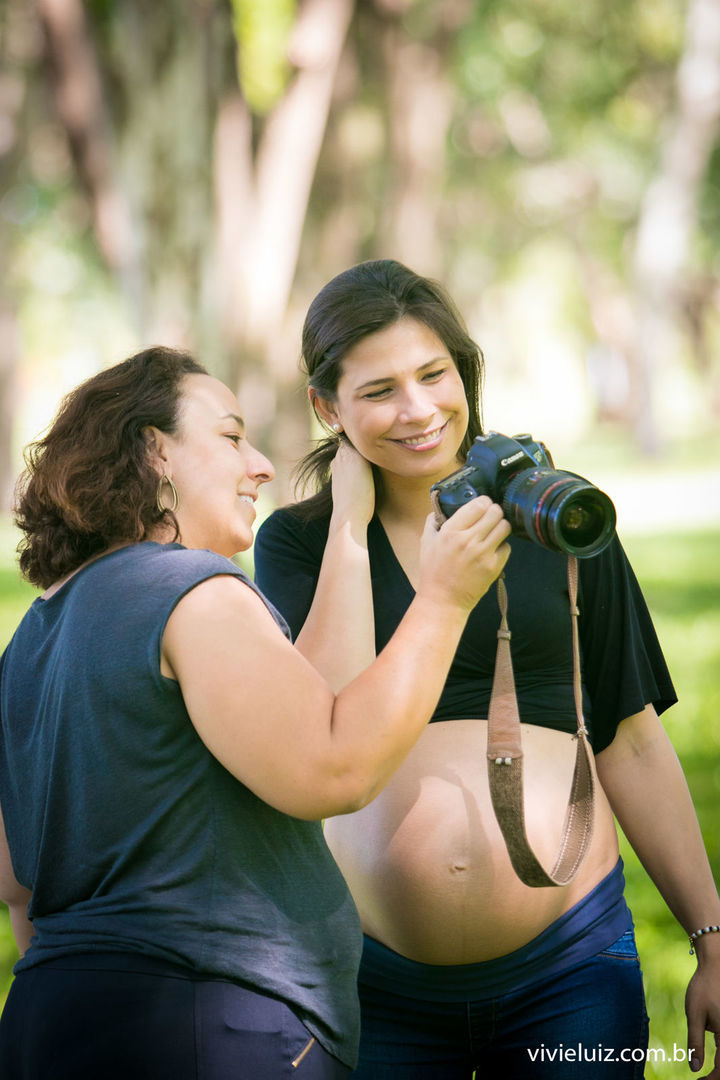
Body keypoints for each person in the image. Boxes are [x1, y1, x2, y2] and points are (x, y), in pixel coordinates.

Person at [254, 259, 720, 1079]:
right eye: (379, 390)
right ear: (328, 407)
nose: (418, 409)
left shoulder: (561, 518)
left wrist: (711, 939)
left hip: (570, 968)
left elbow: (632, 738)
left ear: (463, 371)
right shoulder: (300, 543)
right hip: (376, 979)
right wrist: (351, 525)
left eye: (434, 374)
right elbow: (321, 726)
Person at [0, 345, 513, 1080]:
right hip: (214, 1026)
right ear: (155, 451)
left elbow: (18, 887)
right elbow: (334, 771)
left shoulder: (30, 642)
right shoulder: (193, 590)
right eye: (232, 436)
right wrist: (445, 598)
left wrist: (347, 526)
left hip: (49, 1022)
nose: (263, 465)